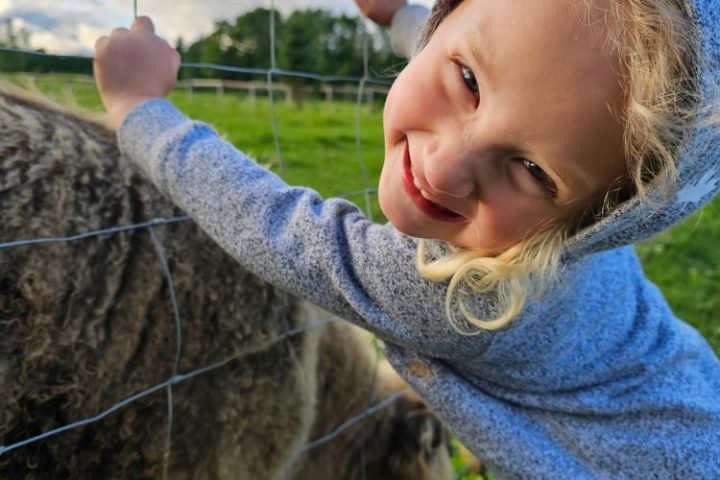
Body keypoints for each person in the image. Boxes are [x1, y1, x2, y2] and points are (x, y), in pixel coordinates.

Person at [93, 0, 720, 477]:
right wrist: (402, 16)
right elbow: (515, 60)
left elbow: (279, 228)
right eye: (468, 82)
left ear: (596, 221)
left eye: (532, 172)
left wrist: (139, 108)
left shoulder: (463, 298)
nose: (445, 169)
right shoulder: (567, 208)